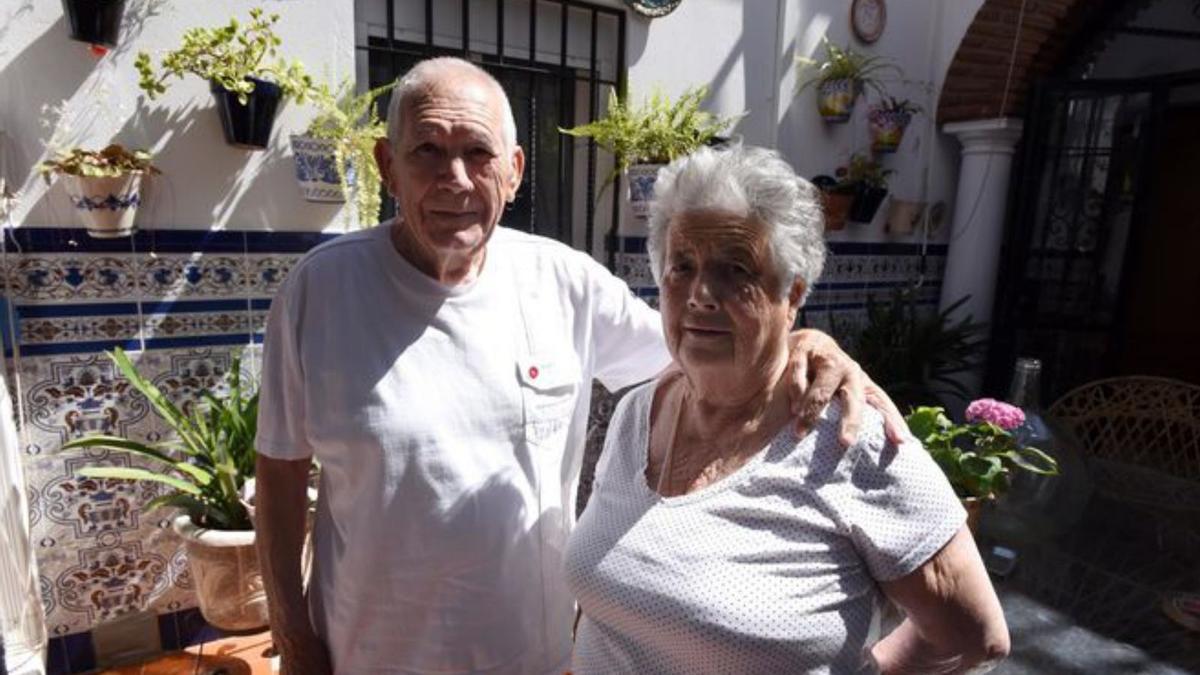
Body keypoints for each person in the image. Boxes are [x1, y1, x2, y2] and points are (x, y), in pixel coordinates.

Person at [254, 57, 902, 675]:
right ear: (387, 166)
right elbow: (279, 478)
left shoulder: (561, 281)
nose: (455, 177)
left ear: (513, 171)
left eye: (478, 153)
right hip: (368, 657)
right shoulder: (319, 291)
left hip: (532, 657)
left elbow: (700, 350)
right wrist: (294, 639)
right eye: (428, 150)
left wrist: (806, 343)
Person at [565, 144, 1010, 674]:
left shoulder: (851, 440)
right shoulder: (637, 413)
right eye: (681, 266)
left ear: (792, 293)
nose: (701, 294)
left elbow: (975, 636)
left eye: (735, 270)